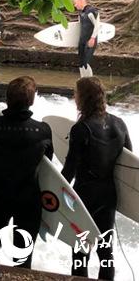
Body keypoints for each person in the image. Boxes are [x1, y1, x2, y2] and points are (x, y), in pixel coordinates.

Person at [62, 77, 132, 281]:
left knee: (80, 251)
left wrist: (52, 194)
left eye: (76, 94)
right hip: (108, 195)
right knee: (105, 251)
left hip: (84, 196)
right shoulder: (119, 124)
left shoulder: (81, 128)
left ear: (83, 98)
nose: (75, 98)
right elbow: (127, 164)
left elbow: (70, 170)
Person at [0, 76, 53, 269]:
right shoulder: (43, 131)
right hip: (29, 200)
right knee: (22, 261)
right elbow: (47, 169)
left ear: (7, 99)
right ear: (31, 100)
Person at [74, 0, 99, 78]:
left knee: (86, 62)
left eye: (75, 3)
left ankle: (90, 79)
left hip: (90, 40)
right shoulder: (81, 13)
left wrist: (93, 38)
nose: (75, 5)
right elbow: (79, 26)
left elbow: (97, 26)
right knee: (81, 62)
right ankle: (82, 79)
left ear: (81, 2)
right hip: (82, 40)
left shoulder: (91, 11)